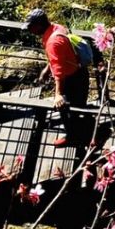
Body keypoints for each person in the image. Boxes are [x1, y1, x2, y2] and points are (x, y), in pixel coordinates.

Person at [26, 8, 89, 147]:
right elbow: (60, 57)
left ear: (39, 25)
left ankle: (73, 137)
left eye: (31, 26)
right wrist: (47, 68)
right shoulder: (57, 28)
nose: (30, 30)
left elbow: (59, 72)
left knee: (65, 109)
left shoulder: (52, 43)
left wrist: (58, 94)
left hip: (71, 79)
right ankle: (82, 132)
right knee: (79, 105)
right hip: (81, 73)